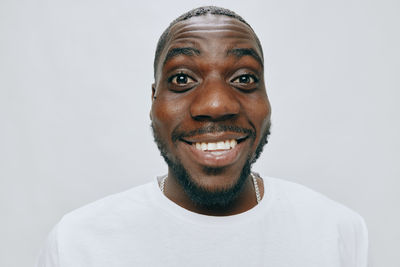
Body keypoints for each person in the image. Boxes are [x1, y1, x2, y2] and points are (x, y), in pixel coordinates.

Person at [36, 6, 368, 267]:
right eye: (182, 79)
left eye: (243, 78)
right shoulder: (77, 244)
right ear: (154, 101)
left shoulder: (336, 232)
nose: (216, 104)